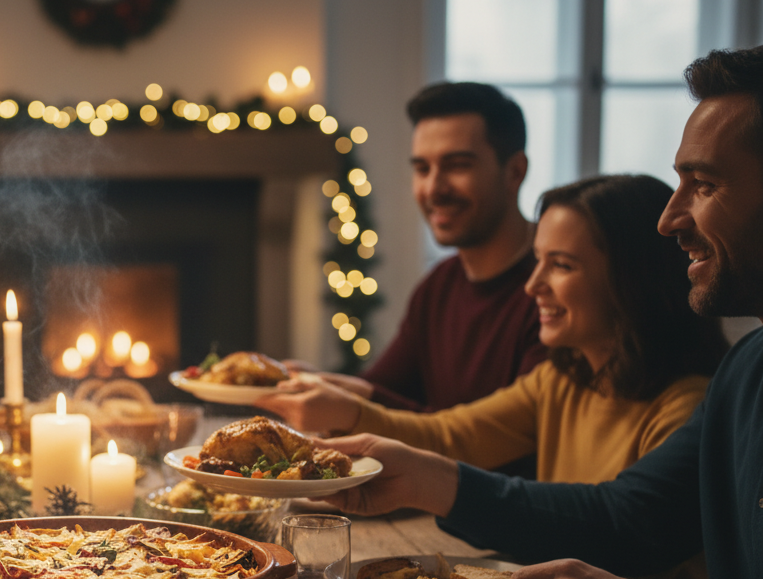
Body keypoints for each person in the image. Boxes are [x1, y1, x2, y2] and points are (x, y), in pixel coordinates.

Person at [314, 47, 763, 579]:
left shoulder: (695, 386)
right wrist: (426, 474)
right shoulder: (747, 369)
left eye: (705, 183)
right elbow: (626, 517)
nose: (671, 219)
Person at [260, 174, 726, 485]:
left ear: (632, 279)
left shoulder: (684, 410)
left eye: (561, 266)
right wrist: (347, 408)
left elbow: (623, 537)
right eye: (538, 260)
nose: (532, 285)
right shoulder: (562, 380)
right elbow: (449, 436)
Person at [292, 82, 546, 414]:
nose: (433, 189)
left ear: (515, 171)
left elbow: (509, 438)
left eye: (457, 165)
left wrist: (354, 402)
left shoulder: (551, 290)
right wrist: (318, 384)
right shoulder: (440, 285)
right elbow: (380, 390)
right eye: (422, 168)